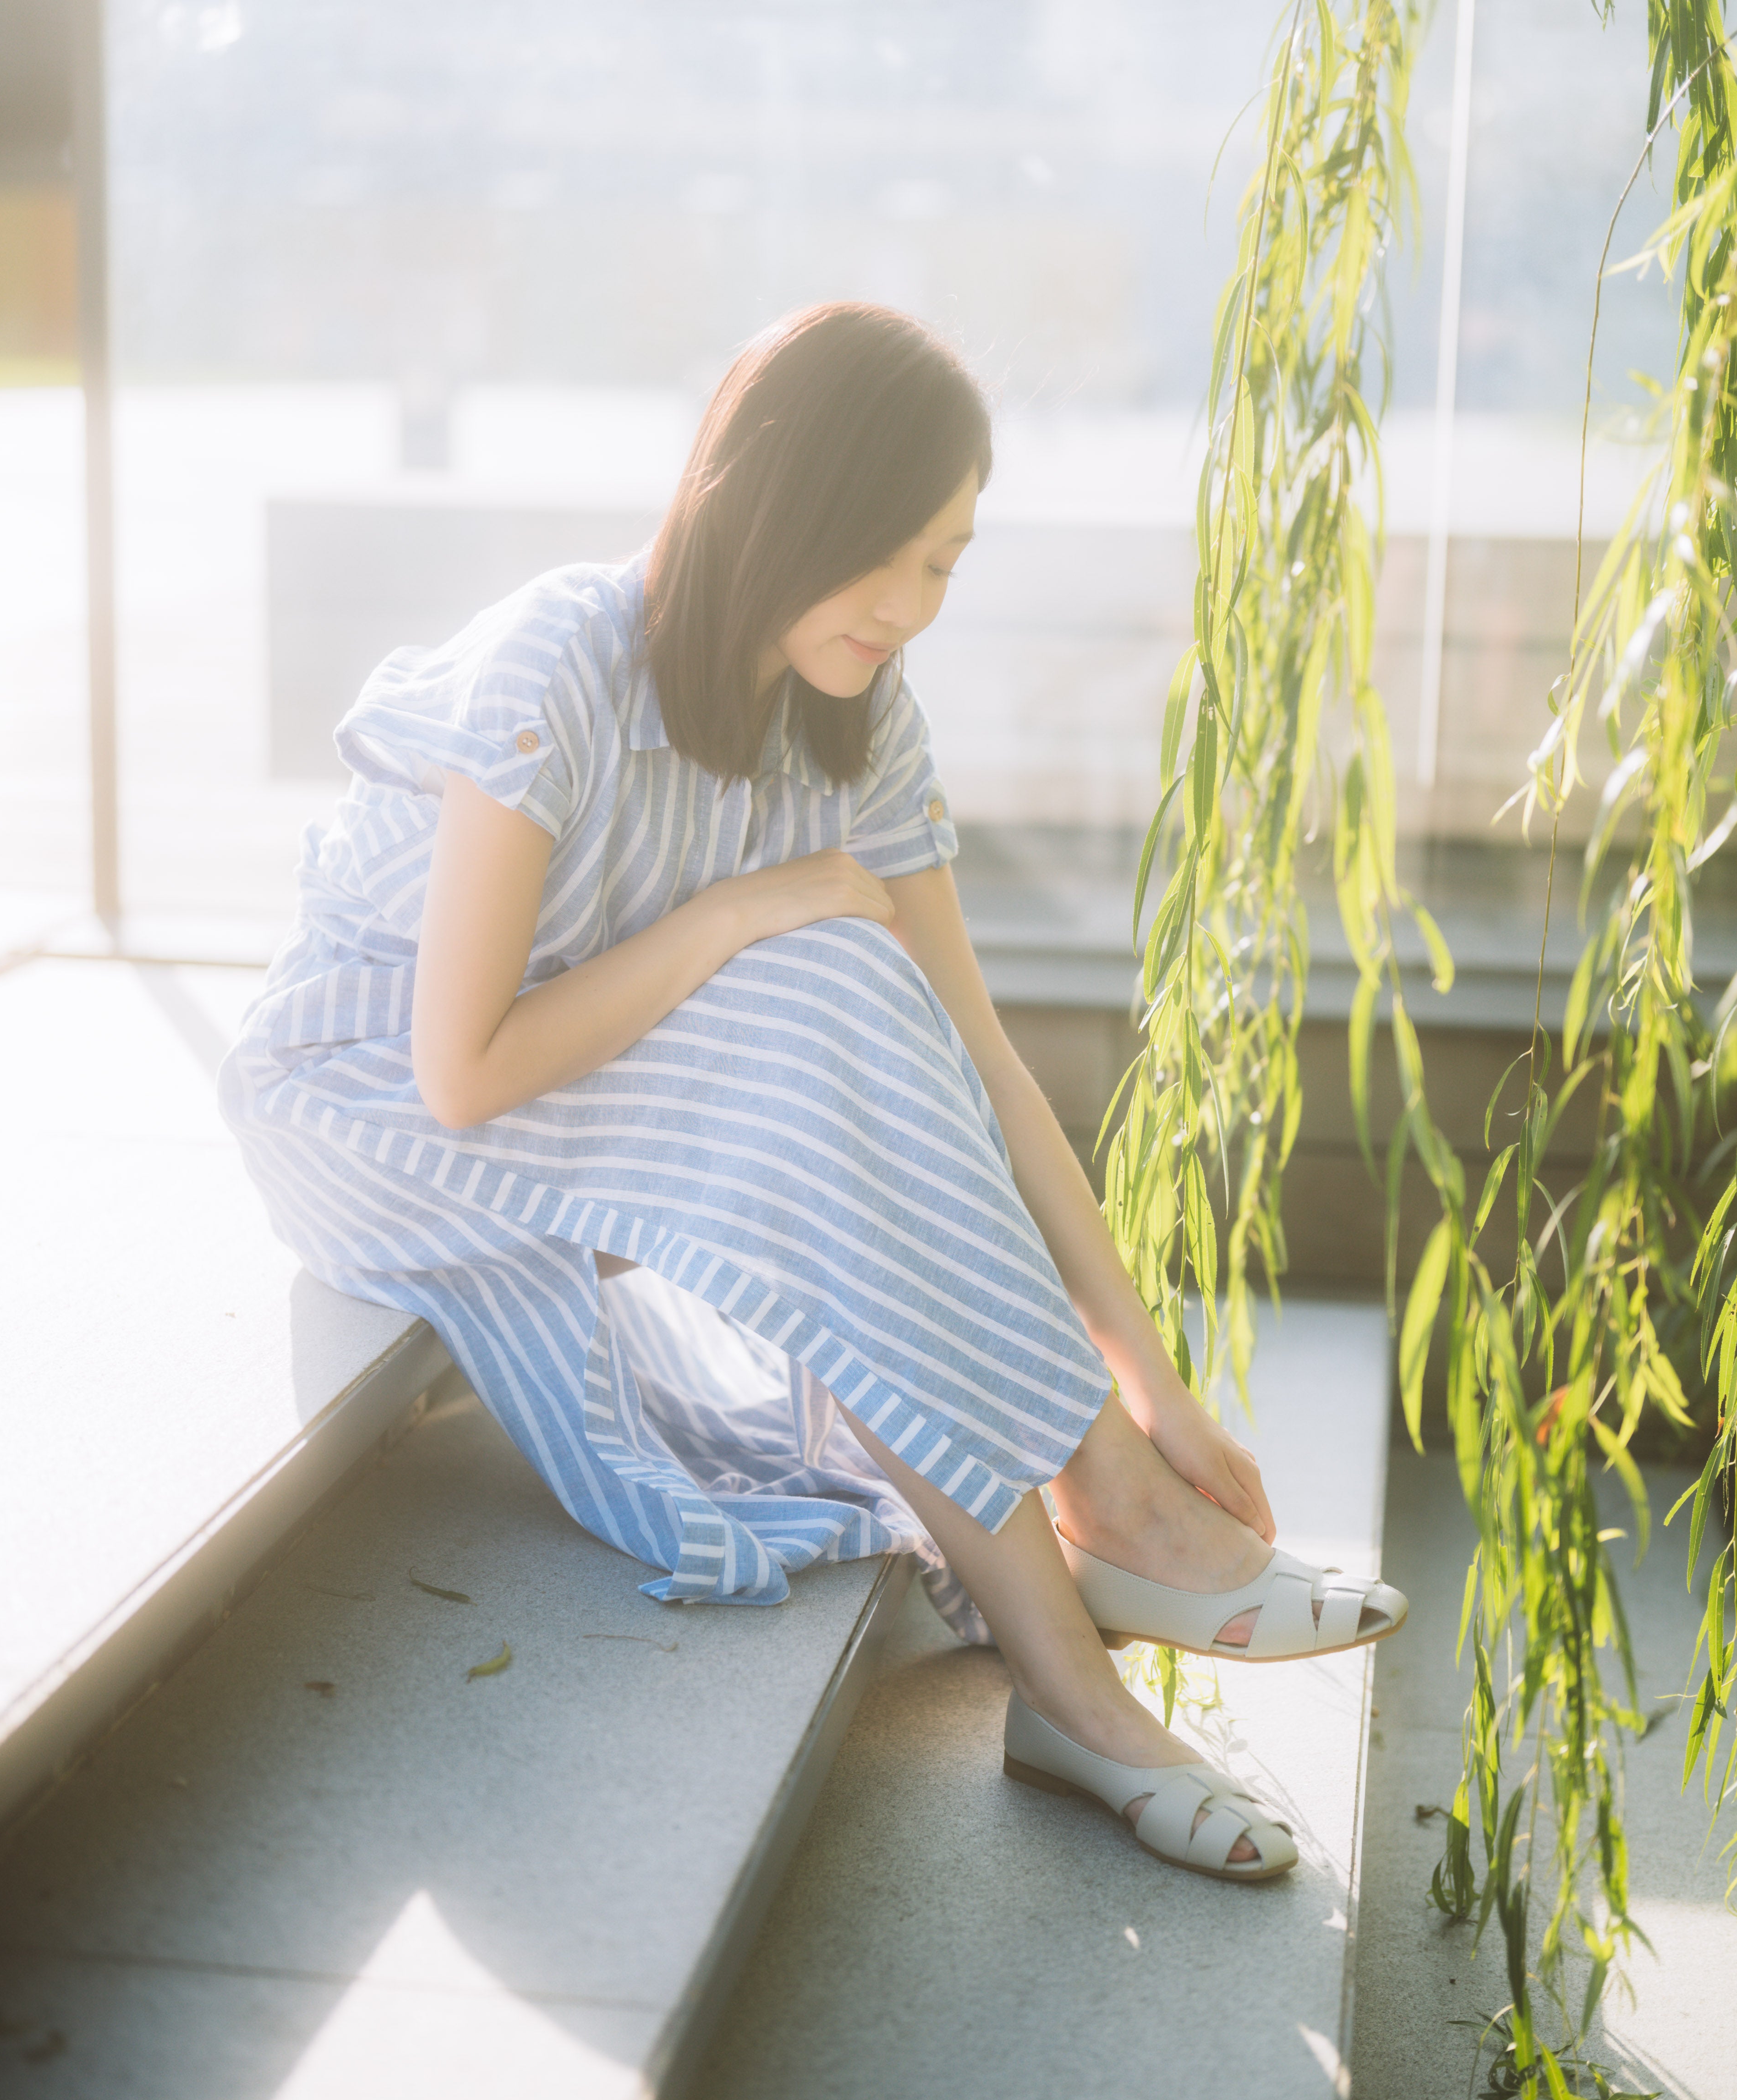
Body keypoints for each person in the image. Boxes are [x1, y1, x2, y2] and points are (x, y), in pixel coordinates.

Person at [219, 301, 1405, 1884]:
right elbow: (461, 1069)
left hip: (584, 1092)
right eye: (892, 554)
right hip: (363, 1111)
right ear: (781, 507)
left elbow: (975, 1063)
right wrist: (732, 912)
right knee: (816, 966)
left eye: (947, 564)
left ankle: (1102, 1538)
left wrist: (1151, 1379)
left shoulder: (854, 718)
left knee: (857, 995)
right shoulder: (556, 662)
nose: (915, 605)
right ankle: (1088, 1637)